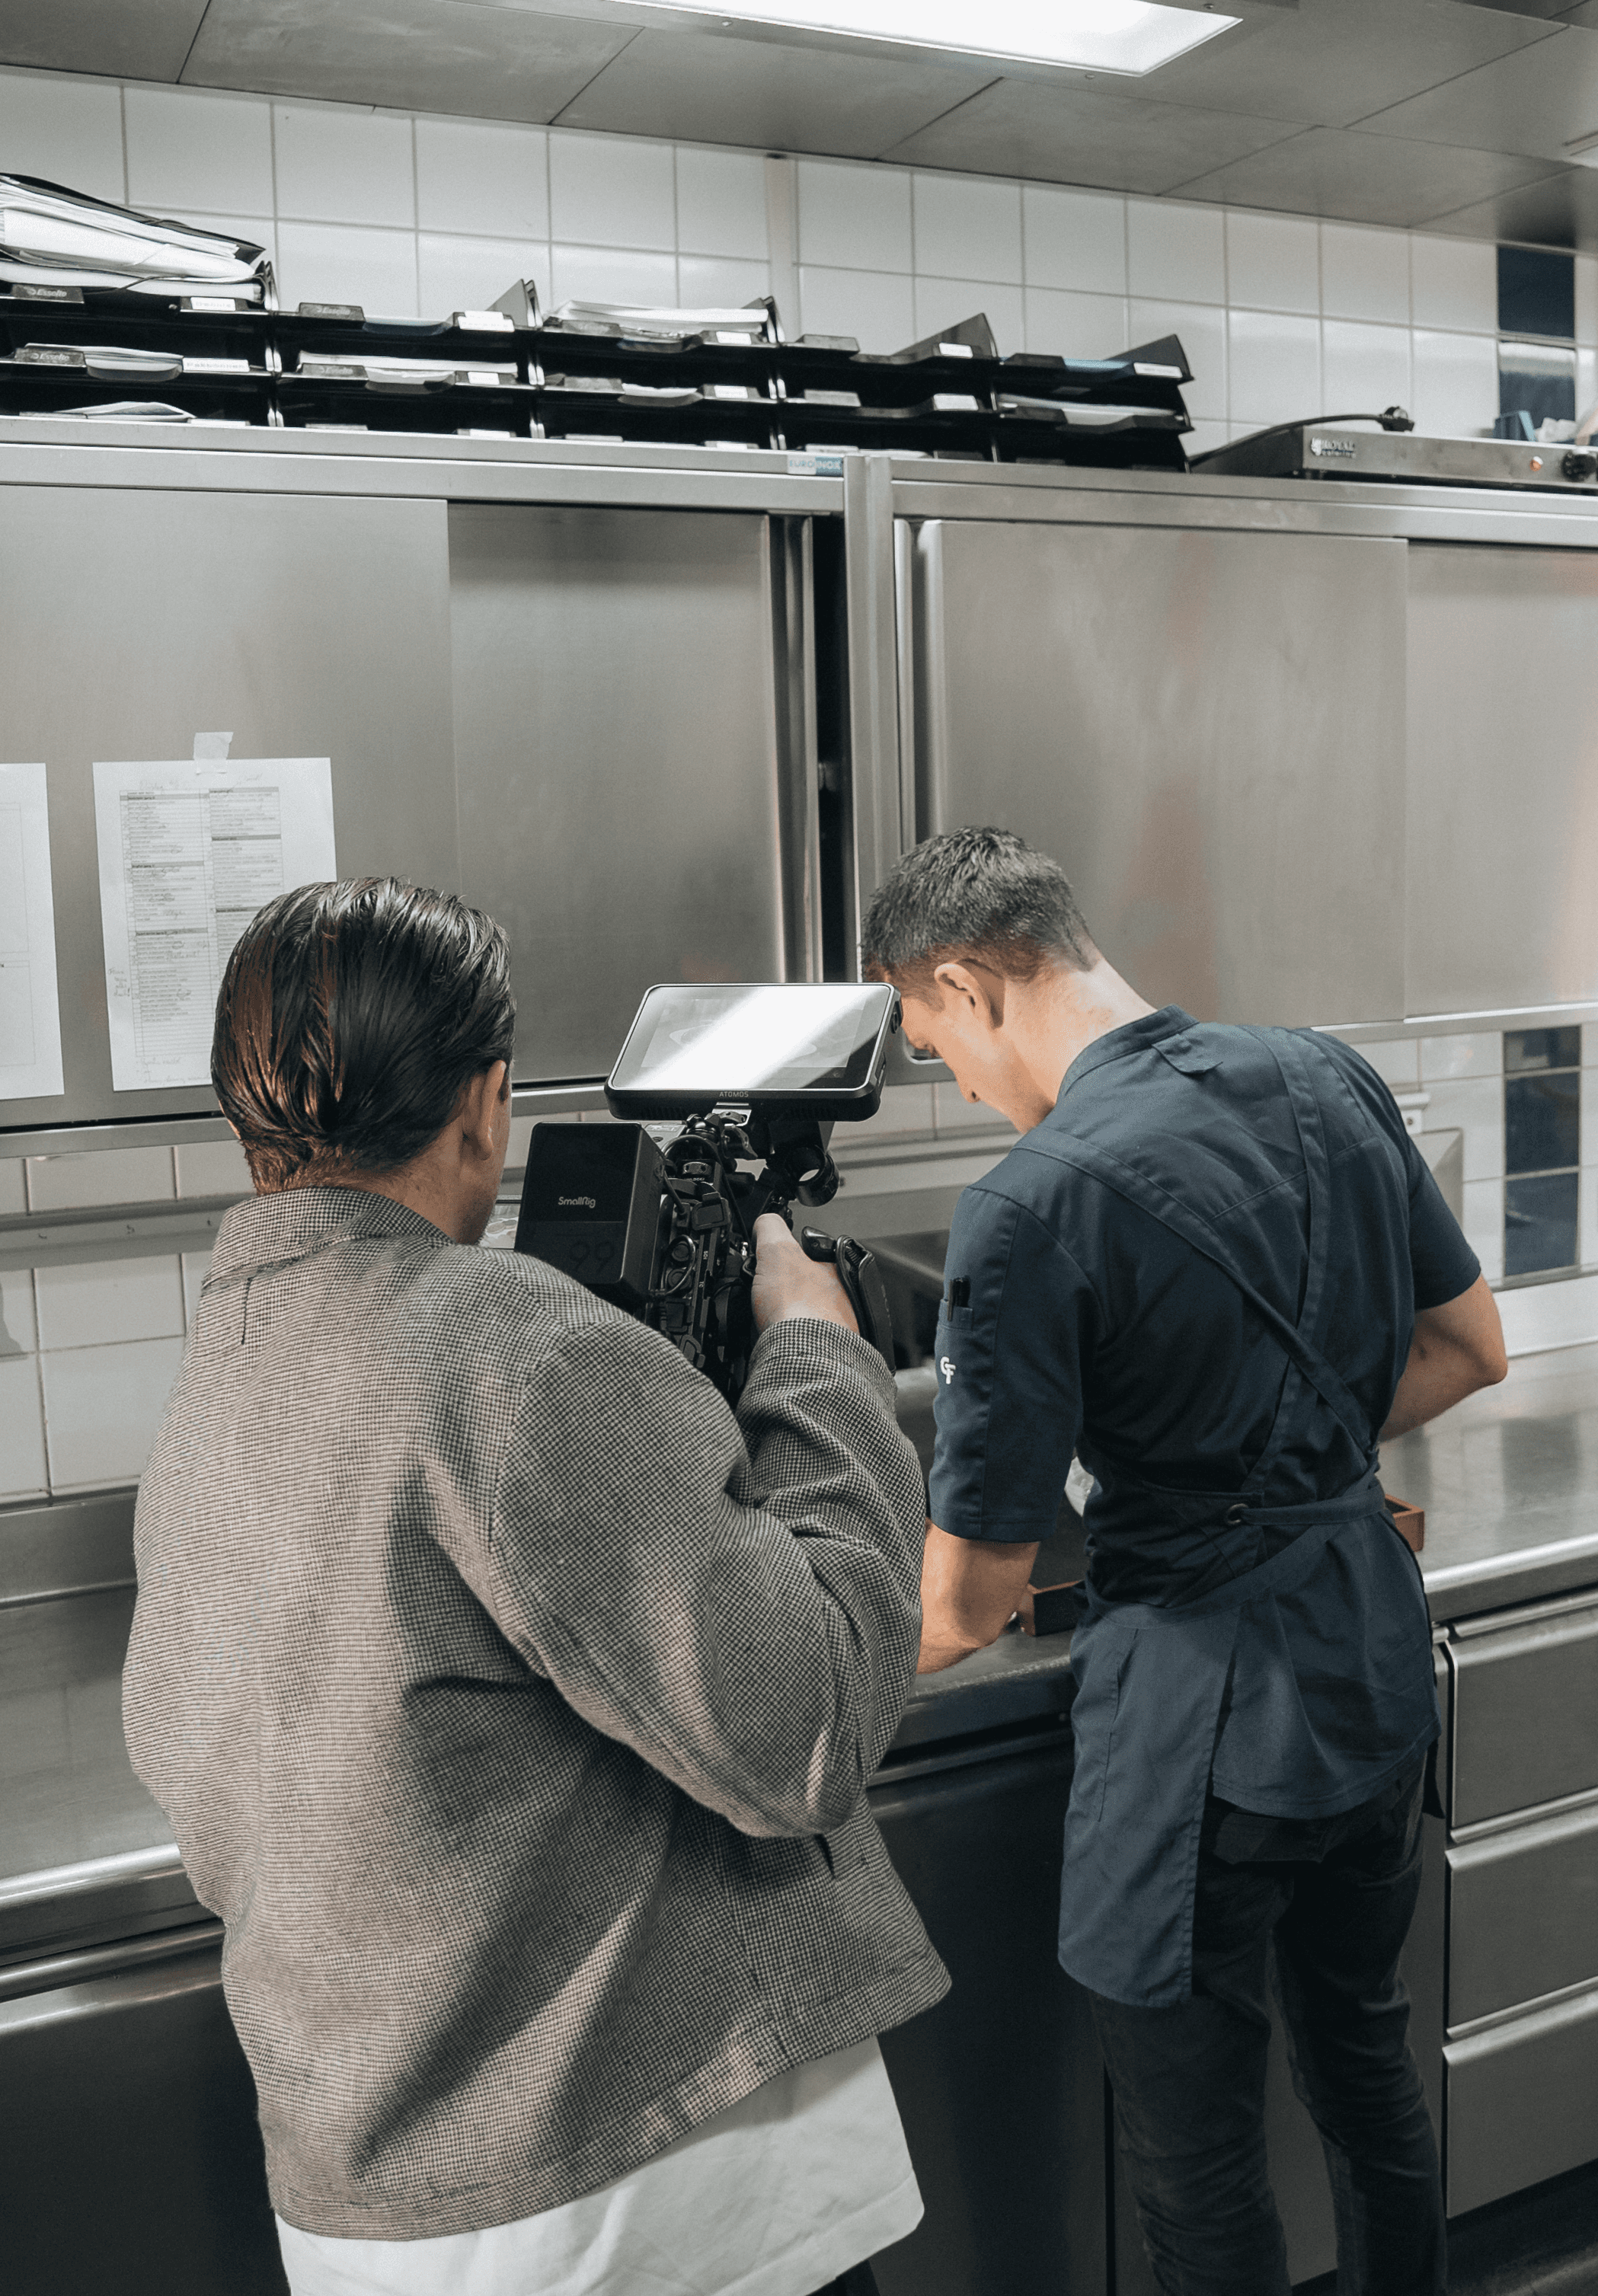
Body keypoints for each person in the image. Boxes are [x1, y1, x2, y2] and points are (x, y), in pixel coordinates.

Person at [123, 878, 947, 2296]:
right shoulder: (509, 1347)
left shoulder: (220, 1372)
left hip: (378, 2223)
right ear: (486, 1099)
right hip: (644, 2207)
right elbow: (808, 1718)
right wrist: (815, 1354)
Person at [860, 828, 1507, 2296]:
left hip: (1202, 1733)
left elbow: (966, 1599)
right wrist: (1292, 1467)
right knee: (1367, 2065)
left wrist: (785, 1675)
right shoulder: (1324, 1076)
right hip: (1371, 1664)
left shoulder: (1028, 1208)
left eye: (933, 1041)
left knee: (1201, 2161)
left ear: (969, 982)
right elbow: (1470, 1347)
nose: (955, 1082)